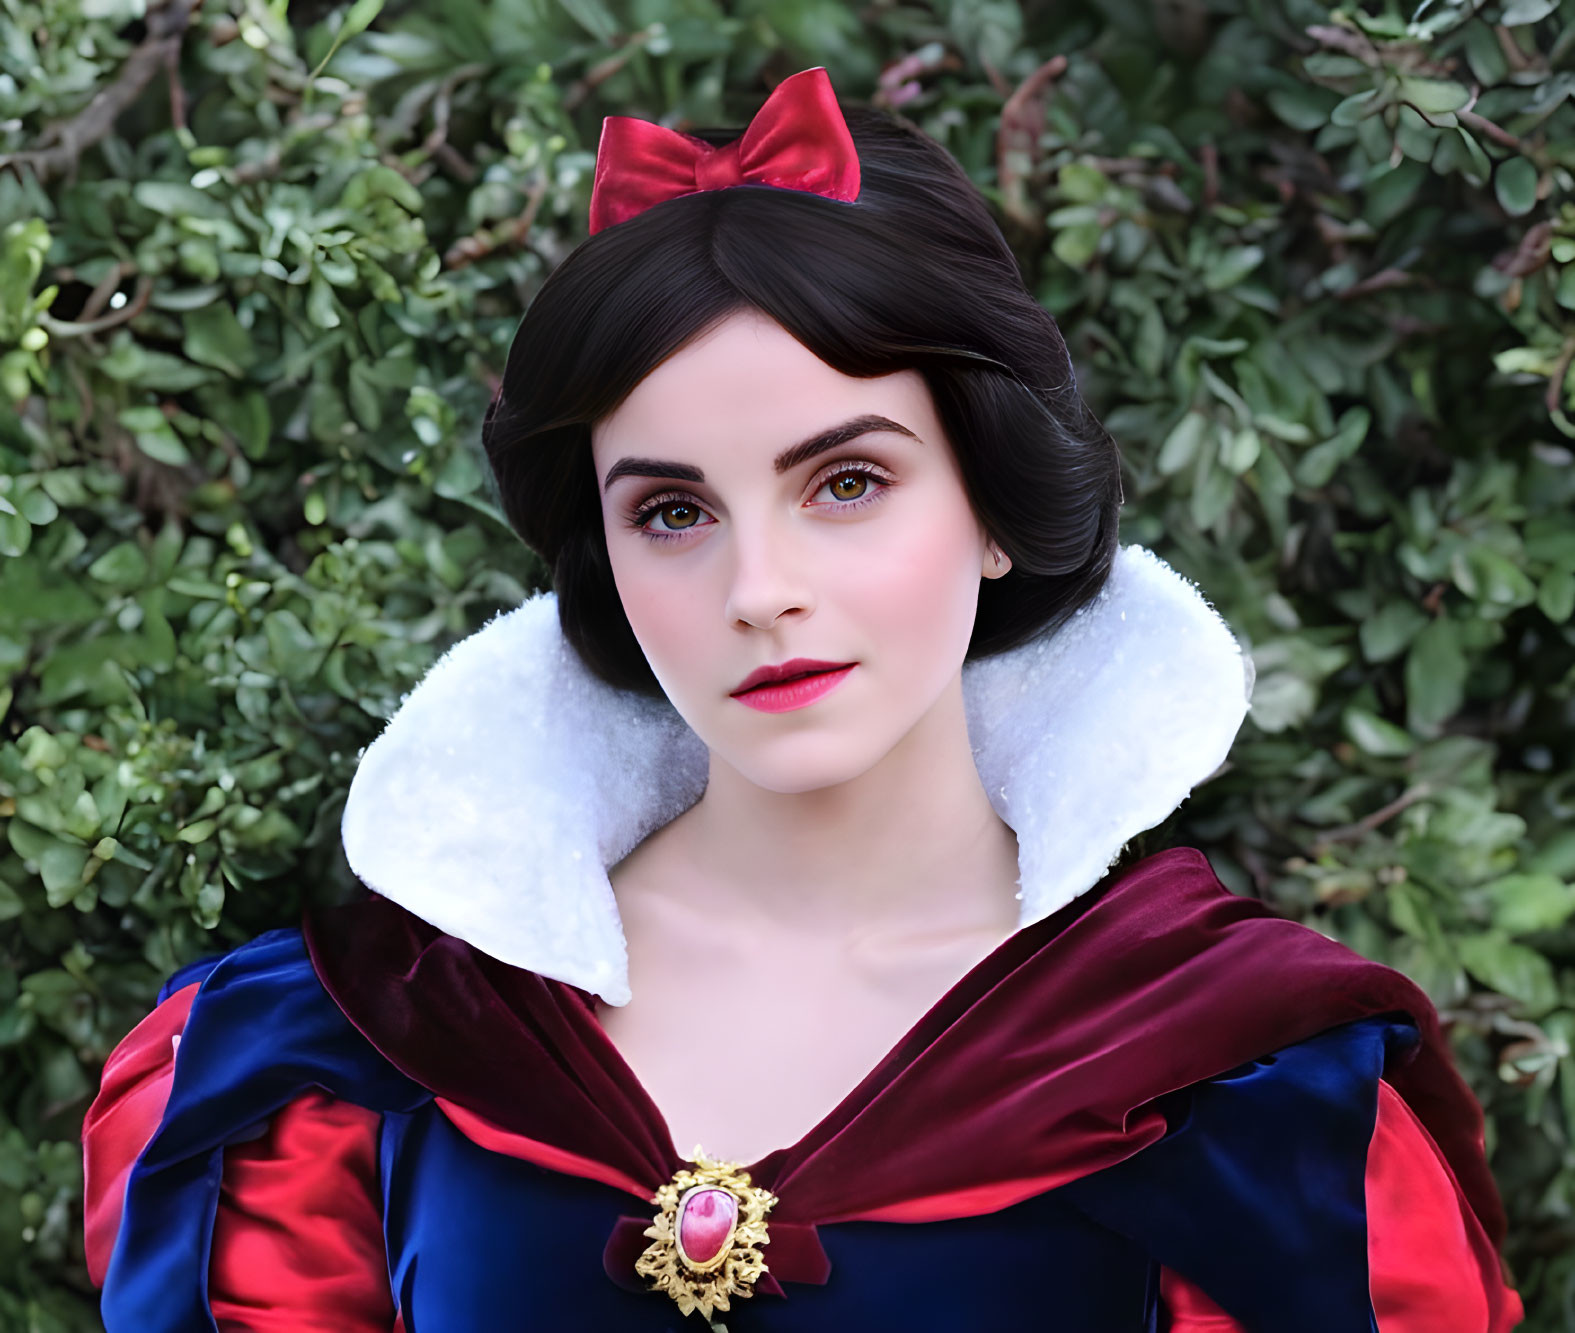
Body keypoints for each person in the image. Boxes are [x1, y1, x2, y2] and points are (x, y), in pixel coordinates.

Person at [82, 67, 1524, 1331]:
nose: (758, 586)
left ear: (995, 503)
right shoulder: (352, 1046)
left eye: (847, 482)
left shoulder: (1236, 1077)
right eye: (671, 512)